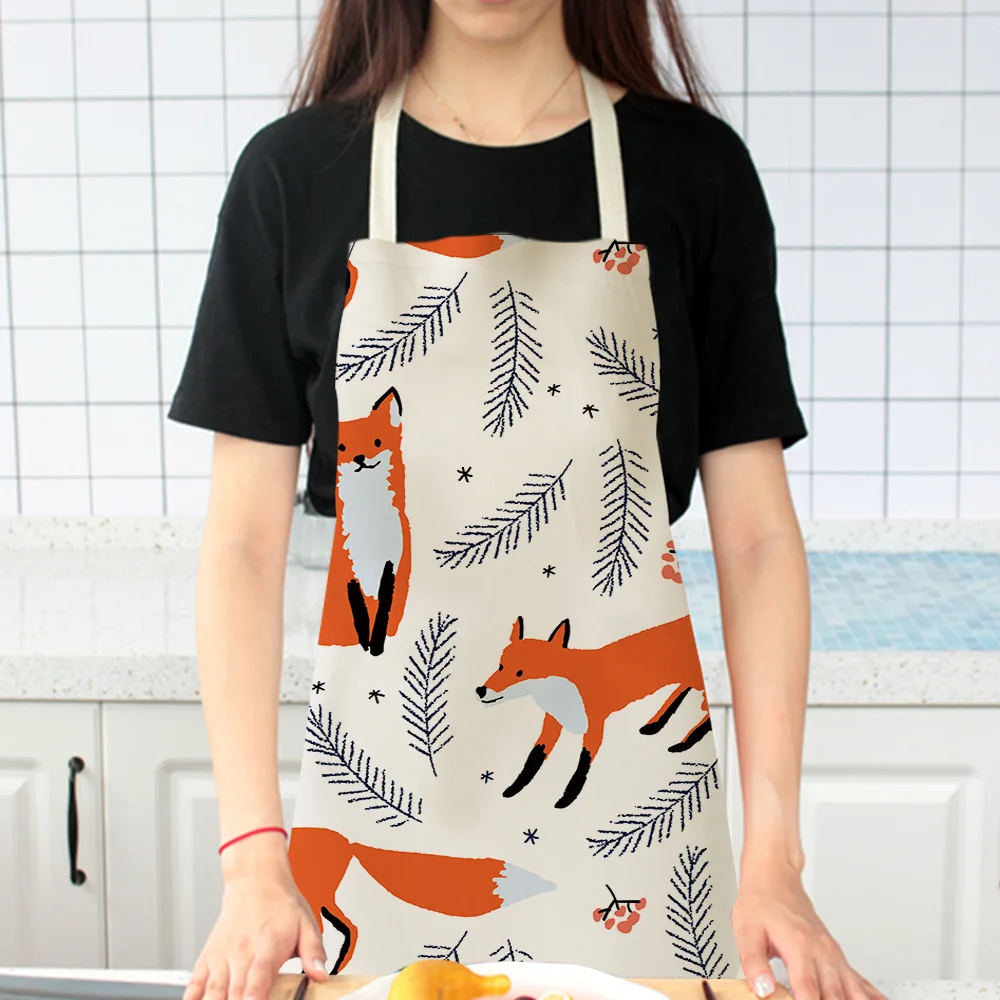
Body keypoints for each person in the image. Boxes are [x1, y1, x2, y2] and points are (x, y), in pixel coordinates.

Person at [169, 2, 887, 1000]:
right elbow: (243, 546)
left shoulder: (692, 170)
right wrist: (253, 857)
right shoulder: (296, 177)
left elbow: (758, 541)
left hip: (642, 847)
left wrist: (774, 862)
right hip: (376, 830)